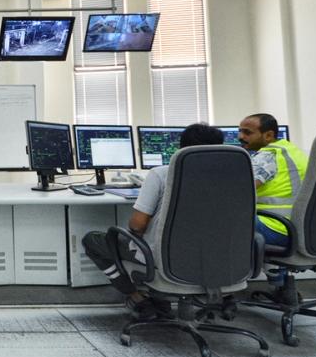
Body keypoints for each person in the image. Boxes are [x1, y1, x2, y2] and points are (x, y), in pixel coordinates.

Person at [82, 123, 225, 320]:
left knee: (93, 240)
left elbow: (137, 225)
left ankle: (138, 298)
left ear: (181, 149)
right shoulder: (232, 178)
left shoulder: (161, 174)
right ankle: (158, 299)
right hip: (213, 259)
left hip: (165, 260)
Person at [238, 113, 309, 299]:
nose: (240, 137)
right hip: (300, 228)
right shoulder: (294, 152)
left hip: (278, 227)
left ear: (268, 135)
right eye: (240, 131)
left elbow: (237, 190)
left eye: (247, 132)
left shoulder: (267, 156)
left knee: (219, 221)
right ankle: (280, 288)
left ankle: (220, 289)